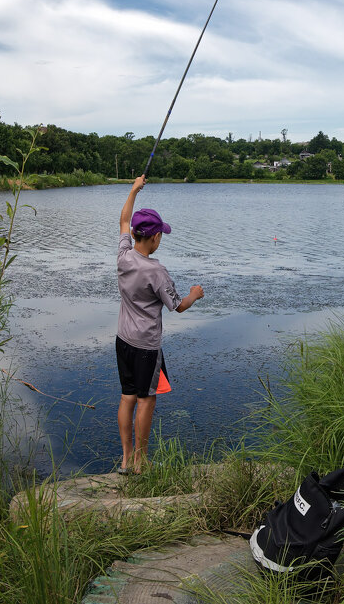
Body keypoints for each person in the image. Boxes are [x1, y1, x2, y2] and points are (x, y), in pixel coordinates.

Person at [115, 175, 204, 474]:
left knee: (127, 397)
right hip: (145, 347)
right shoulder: (157, 272)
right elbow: (177, 306)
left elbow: (123, 220)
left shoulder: (124, 256)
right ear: (152, 237)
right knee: (146, 401)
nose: (161, 239)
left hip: (122, 341)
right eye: (160, 235)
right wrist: (194, 294)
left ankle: (126, 458)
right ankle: (141, 462)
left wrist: (133, 190)